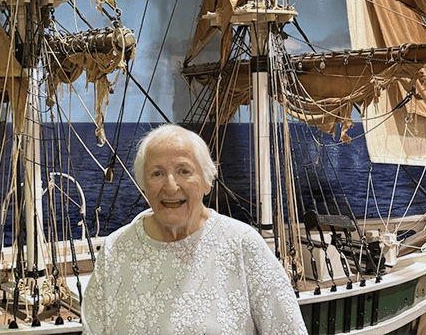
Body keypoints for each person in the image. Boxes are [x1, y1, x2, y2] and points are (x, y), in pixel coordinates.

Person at [81, 124, 308, 335]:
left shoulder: (241, 244)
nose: (171, 186)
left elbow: (288, 329)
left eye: (184, 171)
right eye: (157, 173)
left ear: (207, 181)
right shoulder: (116, 251)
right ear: (144, 184)